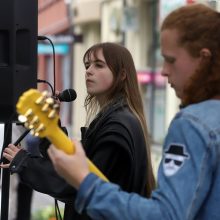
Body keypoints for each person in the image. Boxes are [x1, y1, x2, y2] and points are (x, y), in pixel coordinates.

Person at [46, 3, 220, 220]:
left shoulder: (192, 125)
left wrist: (84, 181)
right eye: (87, 65)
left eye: (170, 60)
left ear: (204, 60)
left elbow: (165, 215)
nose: (164, 71)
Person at [1, 43, 156, 219]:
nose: (89, 71)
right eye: (87, 65)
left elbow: (76, 183)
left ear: (122, 74)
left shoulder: (117, 128)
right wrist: (52, 127)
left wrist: (24, 162)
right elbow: (75, 161)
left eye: (99, 65)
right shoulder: (116, 118)